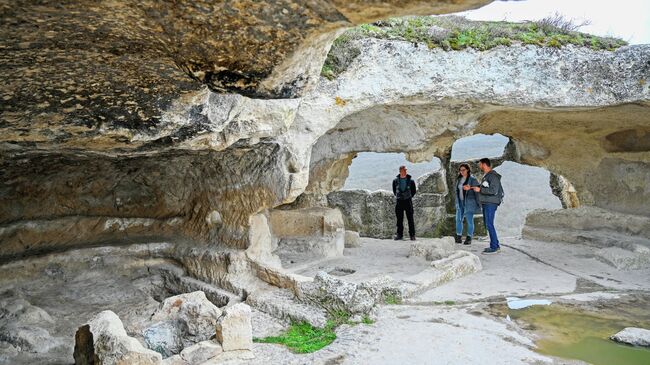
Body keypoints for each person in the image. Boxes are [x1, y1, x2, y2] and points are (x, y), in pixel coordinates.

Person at [472, 158, 504, 254]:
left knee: (490, 224)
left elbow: (493, 190)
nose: (479, 166)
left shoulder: (493, 176)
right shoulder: (488, 176)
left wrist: (479, 190)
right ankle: (495, 245)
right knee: (488, 224)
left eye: (480, 164)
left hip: (491, 203)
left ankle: (494, 247)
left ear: (484, 164)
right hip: (487, 203)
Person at [455, 163, 481, 245]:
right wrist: (457, 202)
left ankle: (469, 237)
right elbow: (456, 191)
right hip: (460, 202)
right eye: (460, 170)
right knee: (458, 219)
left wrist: (470, 188)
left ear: (468, 170)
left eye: (463, 170)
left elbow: (478, 189)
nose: (461, 172)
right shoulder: (459, 179)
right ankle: (458, 236)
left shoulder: (473, 179)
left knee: (469, 220)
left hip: (469, 202)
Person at [392, 165, 417, 241]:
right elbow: (394, 191)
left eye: (406, 170)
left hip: (408, 201)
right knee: (399, 219)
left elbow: (413, 191)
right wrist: (400, 197)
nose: (405, 171)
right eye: (404, 170)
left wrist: (408, 197)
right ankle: (399, 235)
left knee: (410, 219)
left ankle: (412, 235)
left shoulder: (411, 181)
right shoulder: (395, 181)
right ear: (400, 171)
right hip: (399, 202)